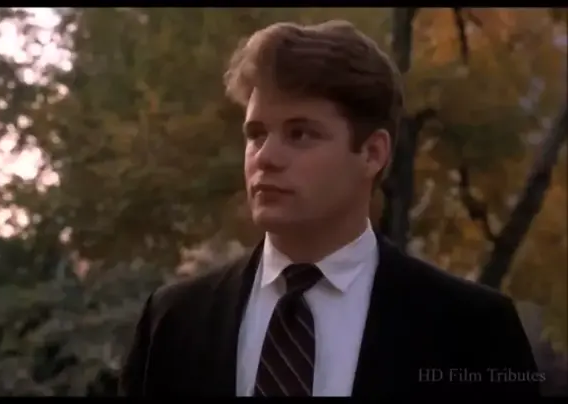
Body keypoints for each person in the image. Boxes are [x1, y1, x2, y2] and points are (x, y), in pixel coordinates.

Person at [118, 20, 541, 397]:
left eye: (300, 134)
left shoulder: (473, 330)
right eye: (256, 134)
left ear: (372, 153)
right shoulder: (174, 322)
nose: (265, 157)